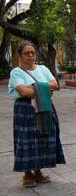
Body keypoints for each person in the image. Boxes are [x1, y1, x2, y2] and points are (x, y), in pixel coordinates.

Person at [8, 41, 65, 188]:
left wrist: (33, 88)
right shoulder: (16, 72)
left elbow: (55, 85)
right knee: (27, 140)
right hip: (25, 109)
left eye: (32, 53)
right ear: (19, 55)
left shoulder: (43, 68)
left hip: (45, 107)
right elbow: (23, 92)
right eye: (26, 53)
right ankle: (27, 173)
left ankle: (38, 171)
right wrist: (44, 89)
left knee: (43, 137)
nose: (30, 56)